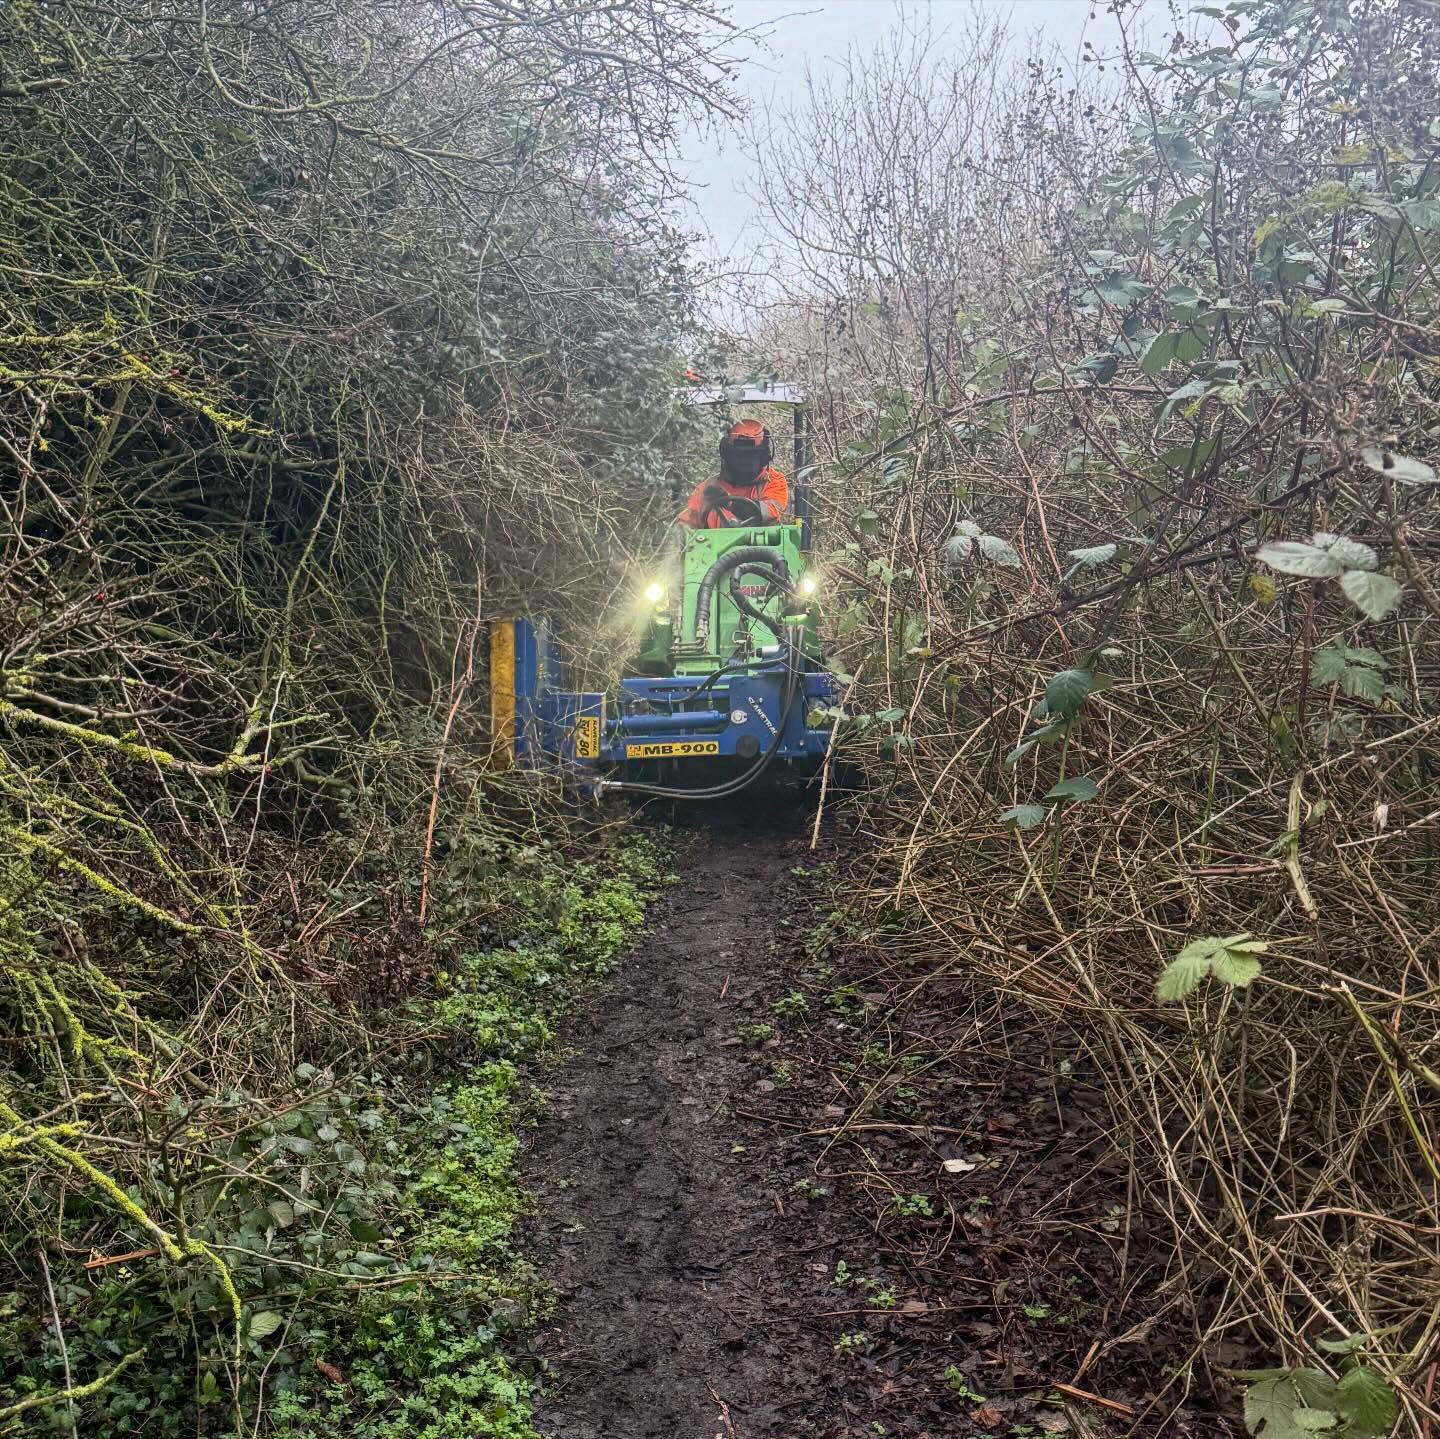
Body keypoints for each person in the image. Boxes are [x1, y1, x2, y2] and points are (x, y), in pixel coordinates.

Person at [676, 419, 789, 529]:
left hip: (764, 546)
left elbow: (768, 512)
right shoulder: (709, 486)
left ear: (763, 458)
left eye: (751, 456)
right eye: (738, 455)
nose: (744, 461)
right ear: (727, 455)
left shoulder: (774, 481)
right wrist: (677, 536)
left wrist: (729, 502)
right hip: (715, 547)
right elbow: (686, 522)